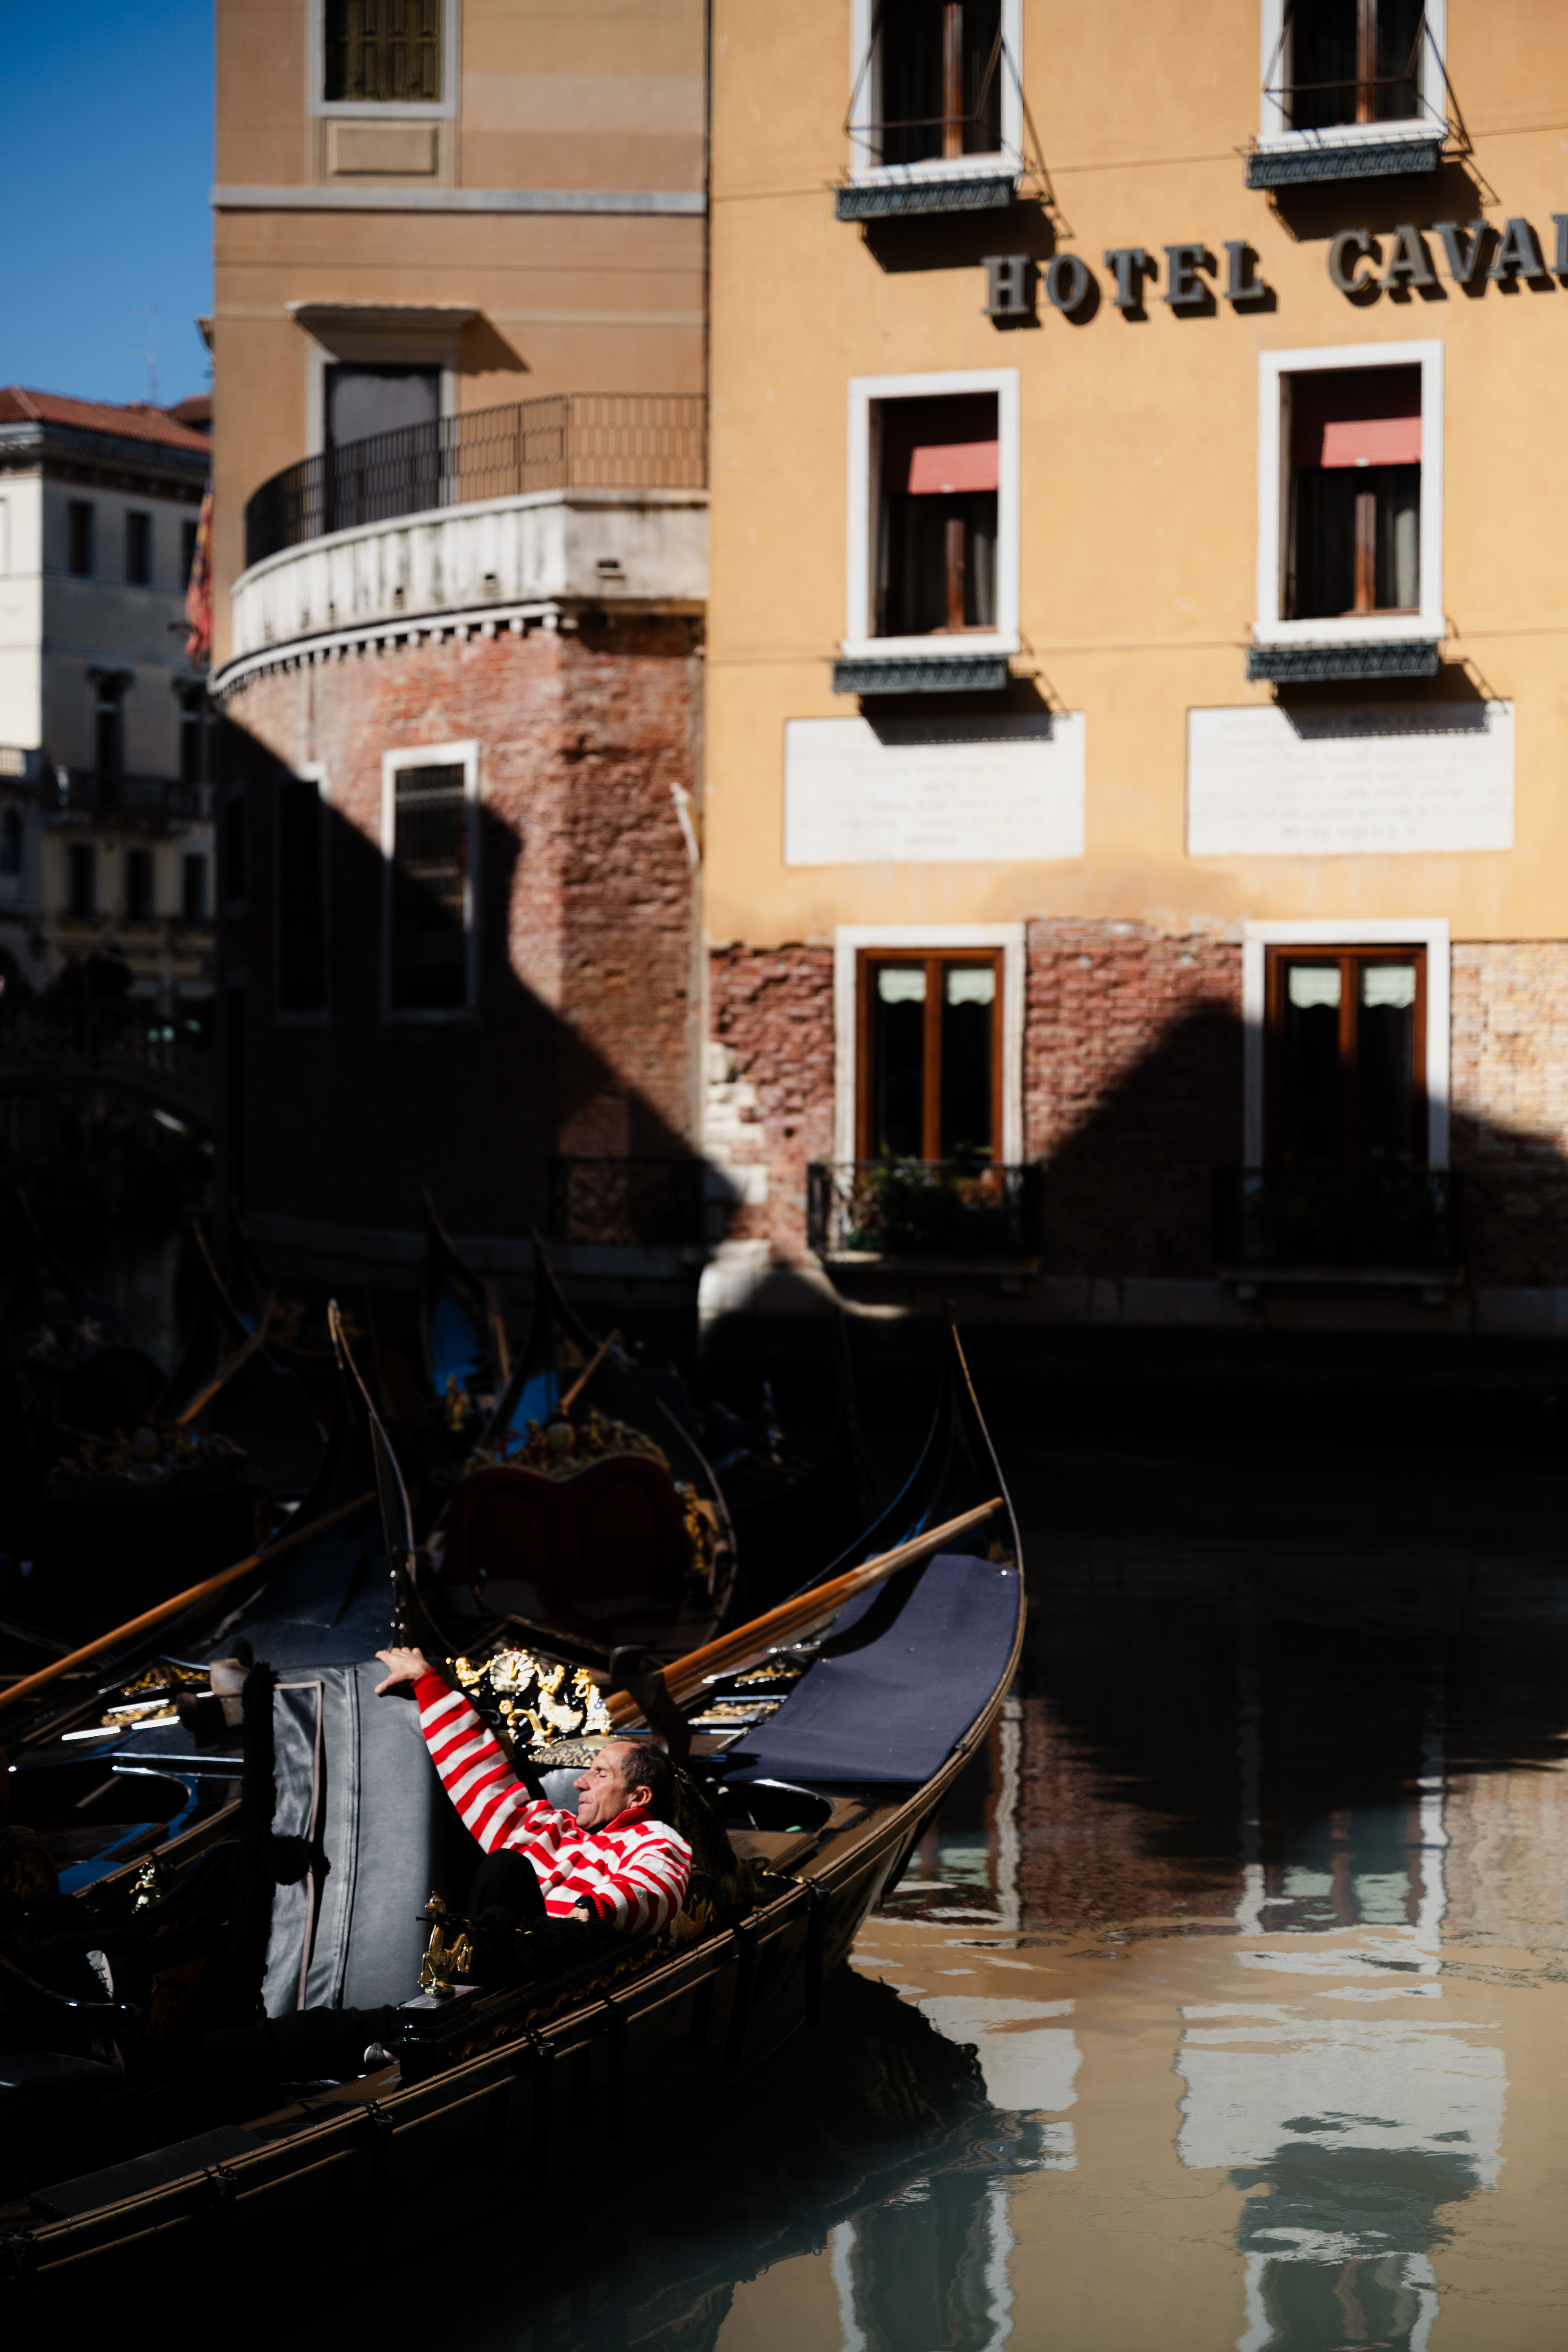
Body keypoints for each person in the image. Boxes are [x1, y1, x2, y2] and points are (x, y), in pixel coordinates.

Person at [373, 1645, 691, 1938]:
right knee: (504, 1865)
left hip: (559, 1966)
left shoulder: (654, 1839)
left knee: (505, 1867)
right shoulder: (550, 1828)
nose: (580, 1782)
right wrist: (427, 1683)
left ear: (639, 1797)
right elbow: (481, 1778)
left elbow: (654, 1884)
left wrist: (593, 1909)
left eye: (600, 1774)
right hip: (505, 1956)